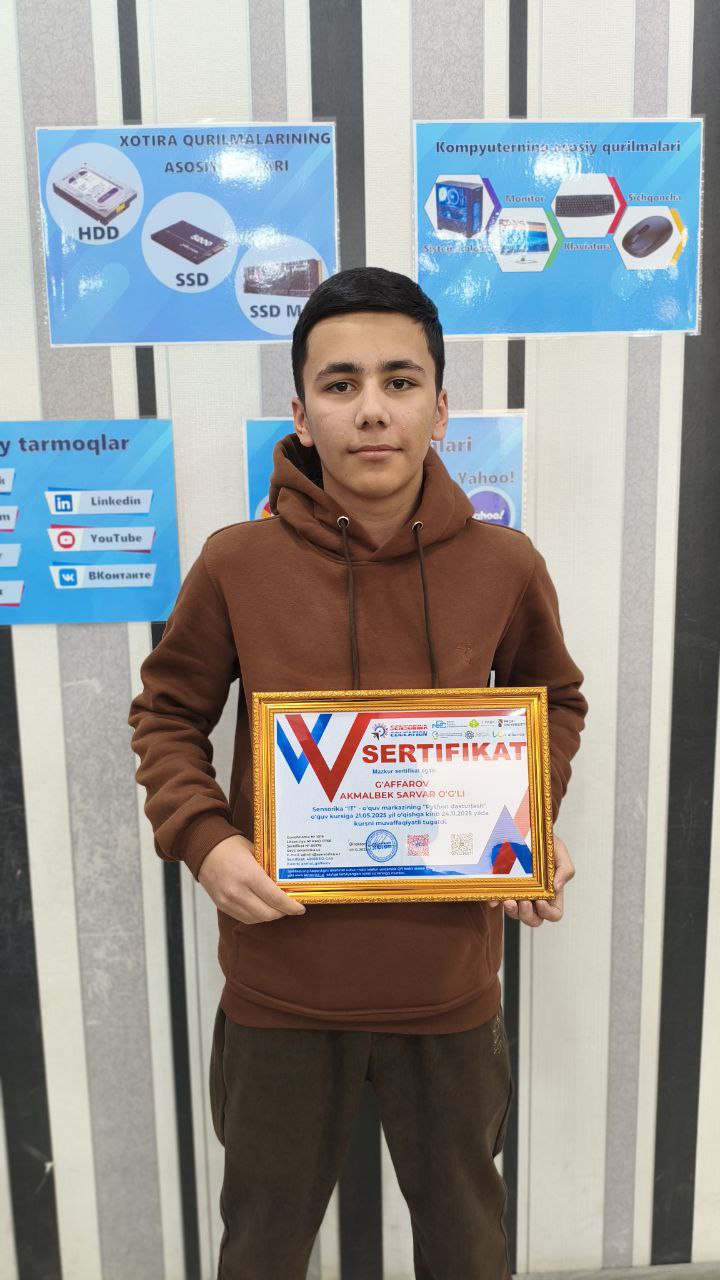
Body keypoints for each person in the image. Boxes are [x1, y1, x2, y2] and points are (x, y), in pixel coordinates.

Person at [129, 267, 587, 1280]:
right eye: (340, 384)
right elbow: (166, 713)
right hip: (280, 988)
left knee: (468, 1250)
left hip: (449, 990)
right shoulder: (236, 563)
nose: (372, 409)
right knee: (261, 1249)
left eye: (399, 380)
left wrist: (527, 820)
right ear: (300, 412)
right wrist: (207, 842)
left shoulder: (506, 564)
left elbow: (556, 699)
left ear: (440, 406)